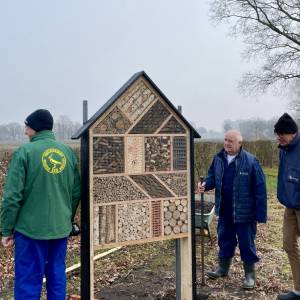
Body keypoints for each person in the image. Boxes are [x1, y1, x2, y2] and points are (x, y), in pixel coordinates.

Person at [0, 109, 81, 300]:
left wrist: (6, 230)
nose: (25, 132)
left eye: (27, 127)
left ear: (34, 128)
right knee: (56, 275)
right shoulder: (67, 153)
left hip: (30, 231)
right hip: (60, 229)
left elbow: (12, 196)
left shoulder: (24, 152)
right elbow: (76, 192)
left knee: (28, 279)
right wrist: (66, 219)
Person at [197, 130, 267, 289]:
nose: (227, 143)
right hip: (224, 210)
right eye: (225, 140)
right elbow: (212, 178)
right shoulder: (218, 159)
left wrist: (260, 215)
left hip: (245, 213)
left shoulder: (251, 161)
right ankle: (223, 269)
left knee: (246, 243)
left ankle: (250, 276)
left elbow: (260, 189)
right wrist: (205, 185)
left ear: (239, 143)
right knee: (224, 240)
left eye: (231, 141)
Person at [274, 113, 300, 300]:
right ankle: (298, 290)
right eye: (277, 134)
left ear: (292, 133)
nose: (278, 137)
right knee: (288, 244)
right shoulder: (284, 148)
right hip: (290, 205)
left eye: (281, 134)